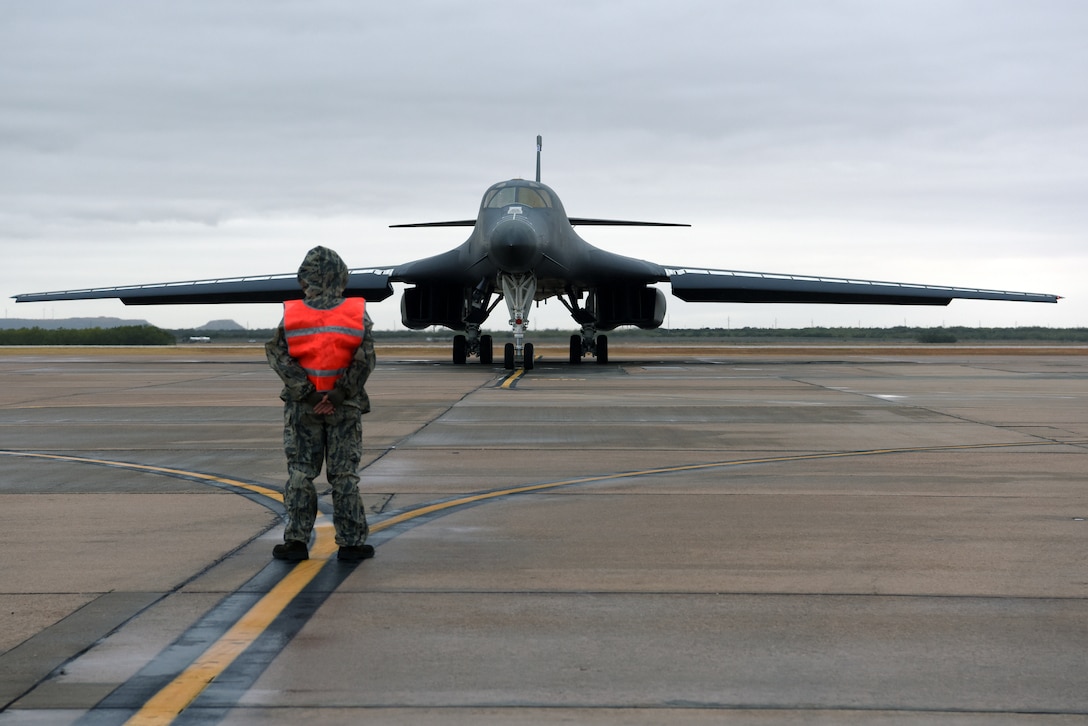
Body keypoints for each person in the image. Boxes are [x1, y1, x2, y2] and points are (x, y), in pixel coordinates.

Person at [265, 246, 376, 562]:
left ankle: (297, 542)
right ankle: (351, 543)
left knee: (300, 472)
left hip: (304, 409)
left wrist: (309, 393)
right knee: (344, 475)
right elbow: (366, 357)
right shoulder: (355, 312)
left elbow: (277, 354)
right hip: (345, 408)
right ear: (343, 278)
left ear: (304, 280)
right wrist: (339, 394)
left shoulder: (293, 313)